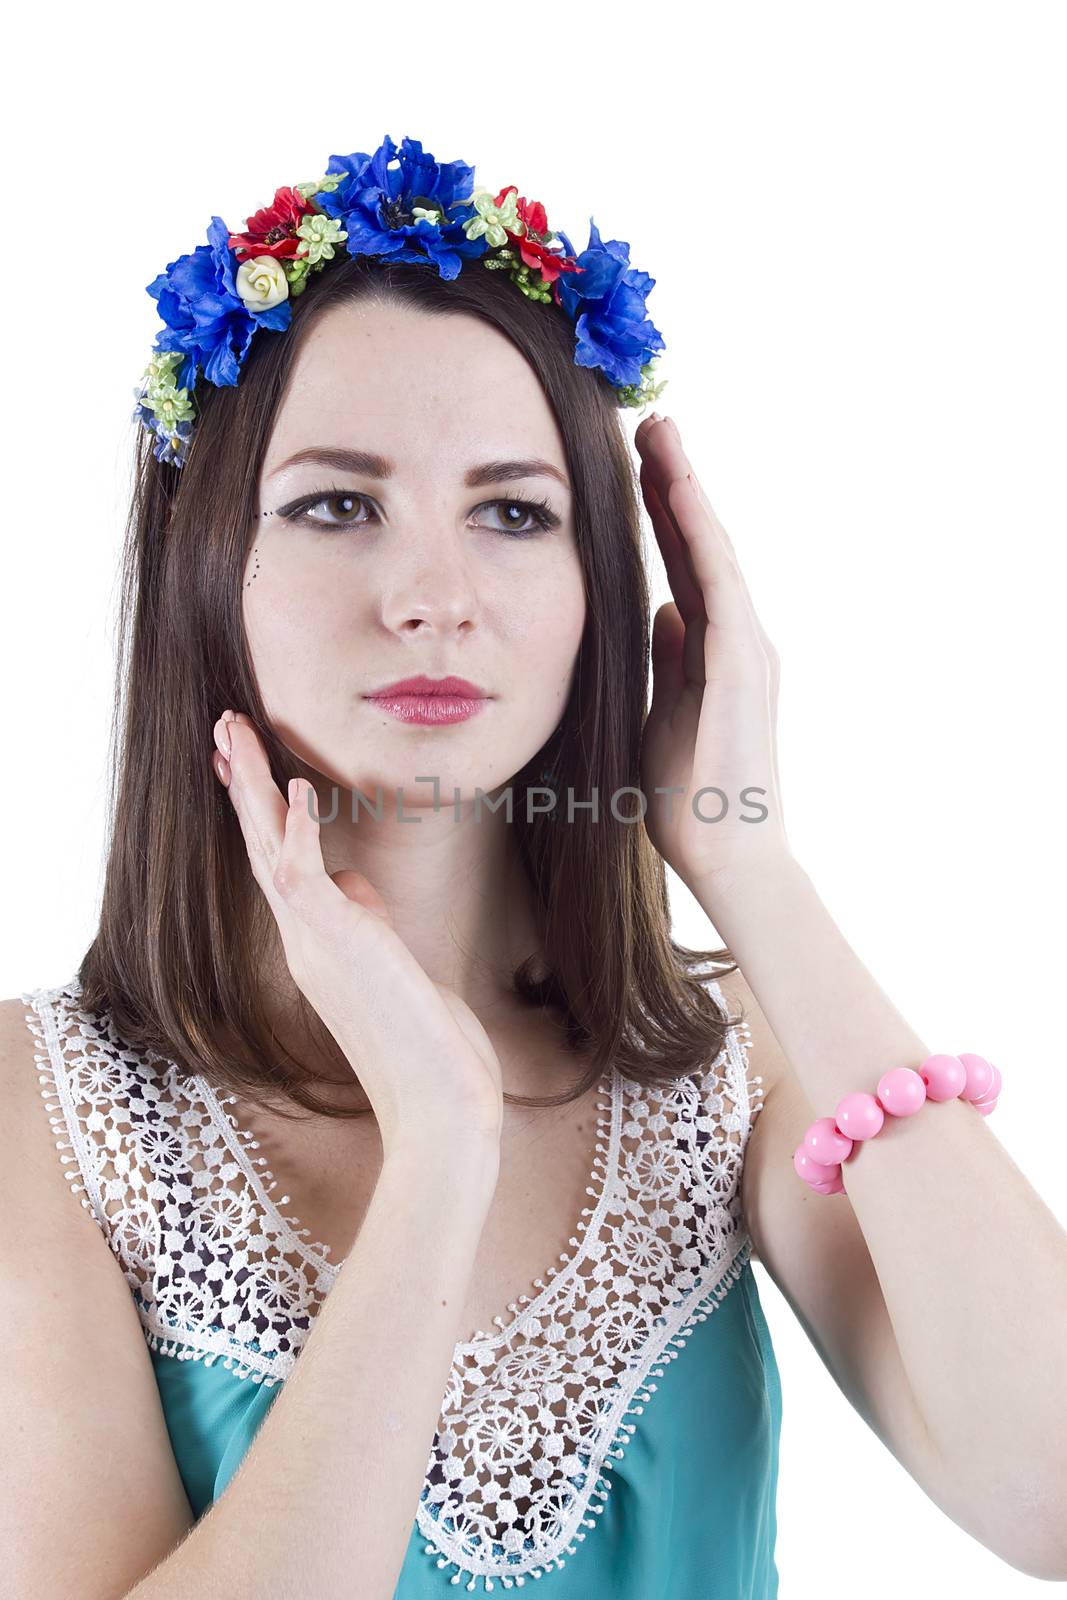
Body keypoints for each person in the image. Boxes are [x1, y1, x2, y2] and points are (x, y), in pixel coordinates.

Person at [5, 135, 1067, 1600]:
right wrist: (441, 1152)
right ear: (204, 565)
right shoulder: (41, 1110)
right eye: (336, 503)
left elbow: (1053, 1493)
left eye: (514, 512)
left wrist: (747, 865)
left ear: (604, 590)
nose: (435, 598)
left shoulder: (716, 1071)